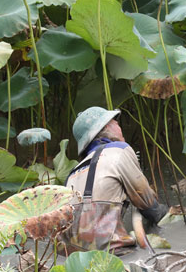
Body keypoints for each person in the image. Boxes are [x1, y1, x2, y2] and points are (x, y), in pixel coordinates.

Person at [62, 106, 168, 252]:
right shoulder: (119, 150)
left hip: (71, 256)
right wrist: (164, 214)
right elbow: (148, 205)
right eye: (116, 123)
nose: (119, 127)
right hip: (110, 254)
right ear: (107, 126)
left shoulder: (71, 174)